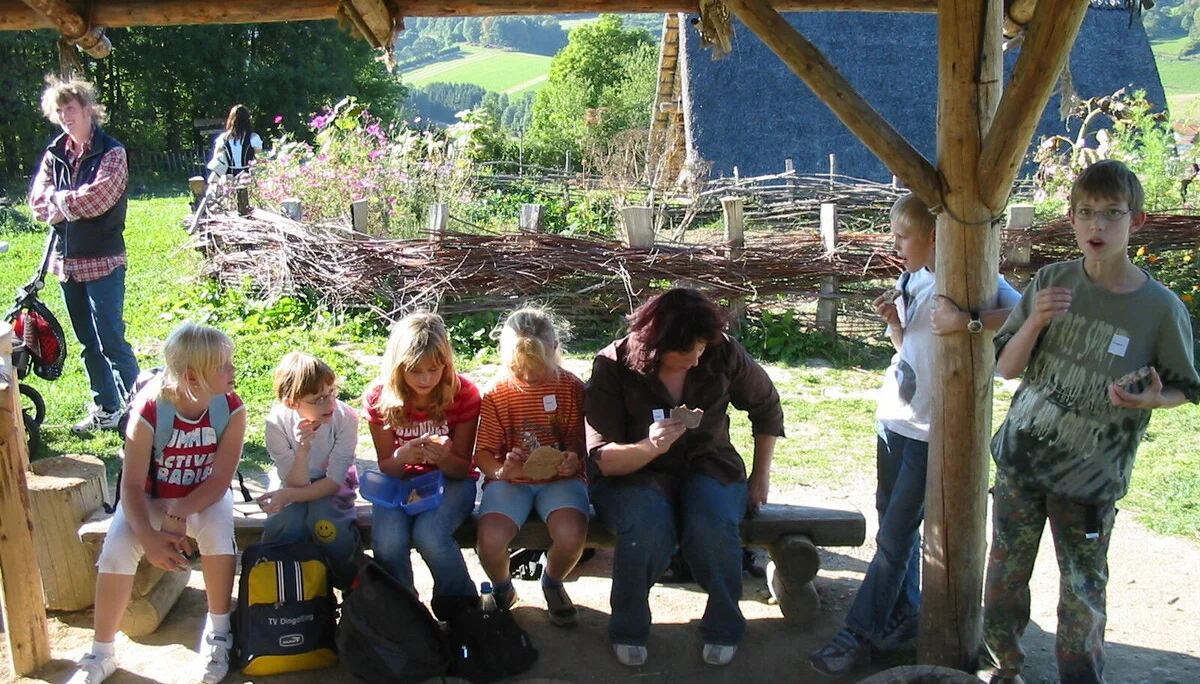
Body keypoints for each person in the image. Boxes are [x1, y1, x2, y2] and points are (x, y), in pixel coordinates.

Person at [977, 160, 1200, 684]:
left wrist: (1153, 400)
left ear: (1136, 220)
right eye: (1085, 213)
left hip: (1091, 478)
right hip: (1021, 462)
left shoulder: (1160, 309)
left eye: (1111, 213)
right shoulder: (1051, 280)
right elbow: (1006, 368)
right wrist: (1034, 319)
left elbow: (1186, 388)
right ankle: (1003, 668)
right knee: (1004, 581)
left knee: (1082, 592)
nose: (1097, 225)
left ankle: (1080, 678)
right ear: (1072, 218)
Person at [809, 193, 1021, 676]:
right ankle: (905, 614)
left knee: (895, 537)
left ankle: (858, 635)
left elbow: (1023, 313)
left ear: (934, 236)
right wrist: (893, 323)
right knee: (893, 524)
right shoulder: (912, 278)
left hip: (931, 432)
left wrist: (968, 321)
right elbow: (909, 349)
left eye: (903, 237)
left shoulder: (972, 281)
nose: (895, 245)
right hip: (895, 419)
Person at [584, 287, 783, 668]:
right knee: (645, 527)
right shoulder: (613, 364)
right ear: (656, 346)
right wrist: (650, 447)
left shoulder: (722, 351)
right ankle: (628, 628)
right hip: (635, 472)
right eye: (685, 352)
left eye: (701, 348)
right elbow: (604, 459)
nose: (695, 359)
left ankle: (724, 626)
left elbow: (767, 406)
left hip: (708, 463)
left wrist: (760, 475)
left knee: (713, 524)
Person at [67, 322, 245, 684]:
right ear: (193, 377)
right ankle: (101, 653)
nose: (233, 371)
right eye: (223, 365)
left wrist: (178, 514)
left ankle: (219, 635)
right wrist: (149, 538)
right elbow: (131, 487)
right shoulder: (150, 408)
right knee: (117, 548)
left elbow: (219, 481)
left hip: (202, 496)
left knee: (217, 533)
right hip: (150, 498)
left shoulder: (232, 409)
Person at [29, 76, 140, 434]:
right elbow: (36, 203)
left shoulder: (112, 152)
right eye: (59, 110)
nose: (65, 116)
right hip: (67, 263)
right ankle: (107, 408)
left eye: (70, 108)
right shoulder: (55, 153)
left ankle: (142, 413)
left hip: (104, 260)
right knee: (87, 343)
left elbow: (99, 198)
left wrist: (59, 202)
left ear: (88, 109)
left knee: (112, 341)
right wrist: (62, 203)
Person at [474, 306, 588, 626]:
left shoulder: (571, 387)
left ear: (555, 350)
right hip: (511, 482)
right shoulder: (497, 392)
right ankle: (503, 587)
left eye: (536, 369)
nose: (527, 377)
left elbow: (579, 441)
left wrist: (573, 458)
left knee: (572, 536)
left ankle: (552, 582)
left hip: (560, 480)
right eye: (518, 368)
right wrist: (502, 471)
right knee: (489, 542)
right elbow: (483, 454)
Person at [362, 312, 481, 616]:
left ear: (446, 364)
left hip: (450, 481)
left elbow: (462, 468)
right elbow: (387, 466)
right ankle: (404, 613)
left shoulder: (464, 393)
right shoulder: (378, 398)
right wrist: (402, 458)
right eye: (414, 371)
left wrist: (443, 458)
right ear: (398, 367)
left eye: (434, 369)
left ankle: (460, 607)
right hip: (400, 480)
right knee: (388, 541)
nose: (425, 379)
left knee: (431, 535)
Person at [259, 351, 361, 589]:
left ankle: (348, 580)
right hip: (293, 480)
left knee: (326, 522)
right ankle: (292, 587)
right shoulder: (276, 424)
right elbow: (293, 483)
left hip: (331, 482)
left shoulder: (345, 418)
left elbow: (334, 481)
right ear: (291, 402)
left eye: (332, 392)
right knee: (285, 521)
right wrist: (303, 449)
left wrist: (288, 495)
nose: (331, 404)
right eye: (319, 399)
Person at [206, 104, 262, 181]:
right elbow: (259, 160)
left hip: (229, 178)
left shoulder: (223, 138)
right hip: (248, 177)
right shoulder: (254, 138)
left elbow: (216, 160)